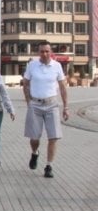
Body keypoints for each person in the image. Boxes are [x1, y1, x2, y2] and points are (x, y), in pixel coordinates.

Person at [22, 40, 69, 178]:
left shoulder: (57, 66)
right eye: (42, 51)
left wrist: (66, 107)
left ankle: (49, 165)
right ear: (38, 52)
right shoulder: (32, 65)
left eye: (47, 51)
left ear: (51, 52)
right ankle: (35, 153)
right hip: (35, 104)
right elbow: (25, 84)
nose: (44, 54)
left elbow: (62, 87)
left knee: (53, 137)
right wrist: (28, 101)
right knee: (34, 137)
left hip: (52, 104)